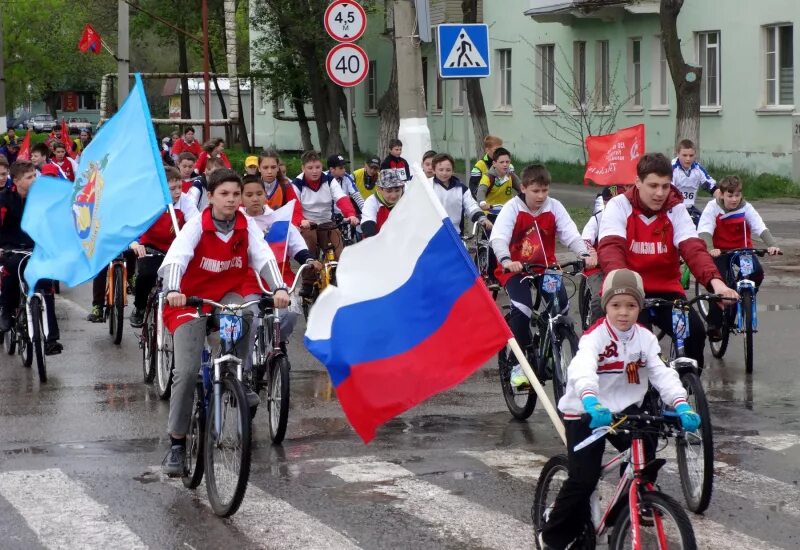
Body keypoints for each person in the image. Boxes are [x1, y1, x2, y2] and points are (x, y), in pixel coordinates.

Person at [538, 269, 700, 550]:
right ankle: (552, 534)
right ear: (606, 307)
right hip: (587, 410)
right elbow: (582, 367)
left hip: (626, 410)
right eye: (616, 305)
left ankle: (628, 511)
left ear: (640, 306)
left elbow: (661, 374)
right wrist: (590, 398)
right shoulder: (596, 336)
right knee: (584, 479)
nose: (623, 313)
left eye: (631, 305)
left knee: (646, 454)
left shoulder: (645, 338)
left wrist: (681, 404)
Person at [158, 168, 290, 476]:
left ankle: (234, 373)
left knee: (244, 312)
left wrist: (279, 287)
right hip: (189, 301)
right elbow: (177, 257)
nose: (231, 200)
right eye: (224, 194)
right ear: (212, 197)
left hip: (225, 296)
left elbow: (263, 256)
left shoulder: (246, 226)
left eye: (235, 194)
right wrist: (175, 290)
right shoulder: (196, 226)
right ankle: (177, 444)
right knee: (188, 372)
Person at [597, 153, 739, 369]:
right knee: (637, 348)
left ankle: (683, 393)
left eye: (665, 186)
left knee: (695, 334)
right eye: (653, 185)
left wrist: (716, 283)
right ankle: (635, 399)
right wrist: (622, 287)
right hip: (629, 289)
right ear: (638, 182)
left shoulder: (675, 208)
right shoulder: (619, 206)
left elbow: (693, 249)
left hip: (667, 291)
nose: (660, 193)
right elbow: (611, 249)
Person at [491, 164, 596, 388]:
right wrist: (507, 260)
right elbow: (498, 238)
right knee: (523, 308)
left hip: (546, 268)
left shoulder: (554, 207)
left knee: (561, 310)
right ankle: (519, 365)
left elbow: (570, 234)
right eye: (536, 191)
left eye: (545, 190)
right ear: (525, 188)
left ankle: (552, 350)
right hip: (516, 269)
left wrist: (584, 253)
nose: (541, 196)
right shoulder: (513, 208)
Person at [239, 175, 321, 343]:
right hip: (248, 281)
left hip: (281, 279)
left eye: (259, 193)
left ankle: (277, 346)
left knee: (290, 313)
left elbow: (296, 245)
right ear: (240, 197)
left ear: (265, 196)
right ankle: (249, 364)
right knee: (250, 319)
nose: (255, 198)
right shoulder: (237, 221)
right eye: (248, 195)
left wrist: (308, 260)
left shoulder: (279, 219)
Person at [697, 175, 781, 338]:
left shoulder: (746, 208)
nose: (734, 199)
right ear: (721, 194)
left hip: (742, 250)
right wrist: (710, 248)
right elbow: (705, 229)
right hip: (719, 251)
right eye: (730, 195)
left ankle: (744, 298)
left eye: (737, 195)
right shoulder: (712, 207)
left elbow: (759, 226)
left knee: (756, 273)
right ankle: (715, 324)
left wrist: (772, 244)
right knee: (719, 282)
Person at [0, 160, 63, 355]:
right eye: (29, 177)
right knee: (12, 272)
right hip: (11, 249)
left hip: (35, 249)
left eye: (35, 175)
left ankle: (51, 339)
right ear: (17, 180)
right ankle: (6, 311)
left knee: (45, 284)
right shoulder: (4, 199)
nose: (34, 180)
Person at [128, 166, 198, 327]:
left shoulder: (186, 201)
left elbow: (196, 224)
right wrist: (136, 242)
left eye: (180, 187)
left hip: (175, 249)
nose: (178, 192)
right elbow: (134, 226)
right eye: (172, 189)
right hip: (150, 246)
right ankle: (139, 307)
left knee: (189, 279)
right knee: (146, 274)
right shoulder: (149, 203)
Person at [292, 150, 358, 297]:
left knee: (340, 252)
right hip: (307, 223)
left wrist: (351, 215)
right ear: (303, 168)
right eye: (310, 168)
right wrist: (301, 221)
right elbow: (294, 207)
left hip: (327, 222)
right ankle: (308, 283)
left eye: (317, 167)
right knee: (309, 248)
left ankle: (340, 284)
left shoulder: (329, 180)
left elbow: (341, 198)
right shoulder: (297, 183)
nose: (315, 171)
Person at [430, 152, 490, 234]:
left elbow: (471, 206)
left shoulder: (462, 188)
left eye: (448, 170)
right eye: (441, 170)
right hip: (433, 234)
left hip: (455, 234)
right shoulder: (428, 186)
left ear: (453, 171)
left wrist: (482, 218)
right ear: (433, 170)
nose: (444, 173)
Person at [672, 139, 720, 226]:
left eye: (691, 155)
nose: (688, 159)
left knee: (707, 226)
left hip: (690, 208)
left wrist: (725, 199)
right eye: (684, 155)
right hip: (673, 209)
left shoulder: (698, 169)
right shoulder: (671, 168)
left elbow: (712, 187)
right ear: (678, 154)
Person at [258, 150, 303, 225]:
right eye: (265, 167)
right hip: (257, 227)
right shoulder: (251, 186)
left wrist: (295, 224)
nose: (269, 171)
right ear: (259, 168)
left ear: (278, 168)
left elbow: (295, 208)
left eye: (273, 167)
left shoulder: (285, 185)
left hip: (280, 227)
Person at [361, 169, 405, 237]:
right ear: (379, 189)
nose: (393, 196)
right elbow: (368, 222)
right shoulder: (371, 201)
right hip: (378, 239)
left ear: (402, 188)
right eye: (389, 191)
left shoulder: (407, 198)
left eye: (397, 190)